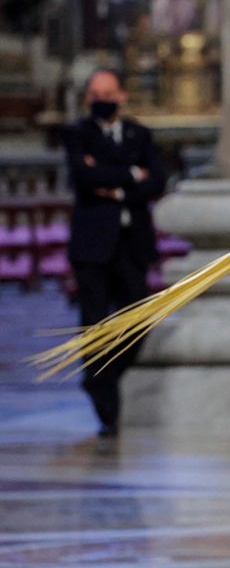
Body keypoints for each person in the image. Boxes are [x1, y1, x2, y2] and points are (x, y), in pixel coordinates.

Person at [63, 69, 166, 437]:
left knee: (139, 319)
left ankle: (101, 377)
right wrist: (130, 174)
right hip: (92, 245)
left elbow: (158, 180)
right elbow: (83, 177)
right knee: (93, 323)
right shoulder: (78, 133)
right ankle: (106, 406)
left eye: (108, 92)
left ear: (122, 95)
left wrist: (115, 183)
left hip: (131, 243)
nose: (101, 98)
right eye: (94, 93)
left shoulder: (141, 134)